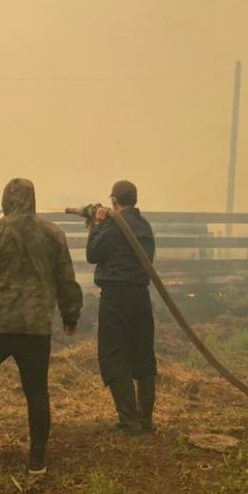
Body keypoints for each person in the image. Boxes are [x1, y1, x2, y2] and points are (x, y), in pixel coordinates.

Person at [0, 178, 83, 476]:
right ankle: (37, 459)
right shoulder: (53, 234)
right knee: (37, 391)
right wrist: (70, 315)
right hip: (35, 327)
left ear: (6, 200)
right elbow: (66, 278)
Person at [85, 180, 157, 434]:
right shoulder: (145, 226)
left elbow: (93, 253)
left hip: (116, 297)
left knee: (114, 355)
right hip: (140, 297)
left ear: (114, 200)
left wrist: (96, 225)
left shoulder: (115, 225)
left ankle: (128, 421)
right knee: (143, 356)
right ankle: (145, 420)